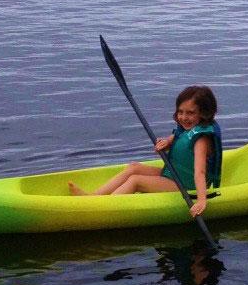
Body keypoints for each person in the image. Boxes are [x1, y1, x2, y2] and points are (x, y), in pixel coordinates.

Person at [68, 86, 222, 218]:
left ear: (203, 114)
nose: (183, 117)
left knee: (136, 181)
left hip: (187, 185)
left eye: (190, 113)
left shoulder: (202, 140)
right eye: (180, 112)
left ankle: (98, 209)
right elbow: (177, 136)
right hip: (173, 174)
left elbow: (200, 172)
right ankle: (93, 197)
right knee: (134, 167)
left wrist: (202, 200)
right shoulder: (188, 129)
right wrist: (168, 142)